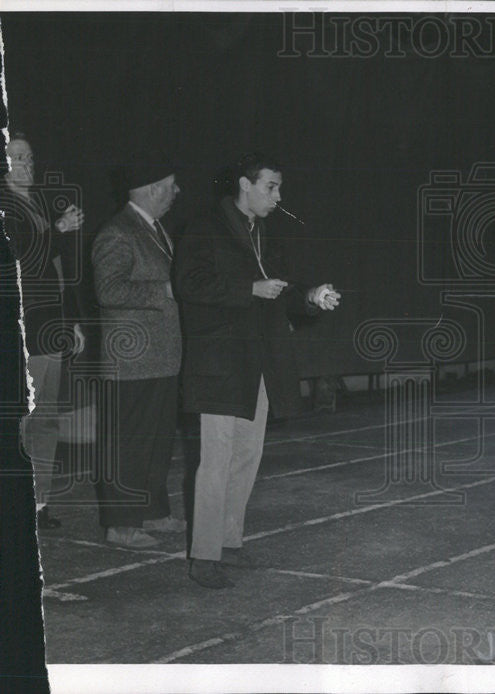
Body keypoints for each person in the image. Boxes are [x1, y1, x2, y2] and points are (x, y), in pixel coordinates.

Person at [176, 152, 340, 589]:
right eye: (271, 187)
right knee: (215, 460)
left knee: (248, 456)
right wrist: (248, 288)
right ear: (245, 185)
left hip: (258, 364)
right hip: (219, 365)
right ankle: (204, 557)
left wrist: (311, 297)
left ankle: (230, 542)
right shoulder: (204, 227)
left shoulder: (262, 233)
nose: (278, 196)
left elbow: (279, 290)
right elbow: (188, 284)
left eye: (279, 188)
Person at [91, 155, 184, 548]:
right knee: (127, 443)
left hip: (160, 356)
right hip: (130, 360)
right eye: (171, 185)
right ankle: (120, 524)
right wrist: (161, 291)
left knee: (156, 440)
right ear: (151, 189)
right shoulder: (117, 232)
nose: (177, 192)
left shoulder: (156, 229)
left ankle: (152, 511)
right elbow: (108, 291)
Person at [2, 133, 86, 530]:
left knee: (47, 418)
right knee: (20, 419)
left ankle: (39, 504)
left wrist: (70, 320)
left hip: (47, 326)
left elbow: (54, 270)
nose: (26, 165)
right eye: (17, 158)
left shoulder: (34, 203)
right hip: (21, 328)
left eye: (30, 157)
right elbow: (21, 259)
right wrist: (59, 226)